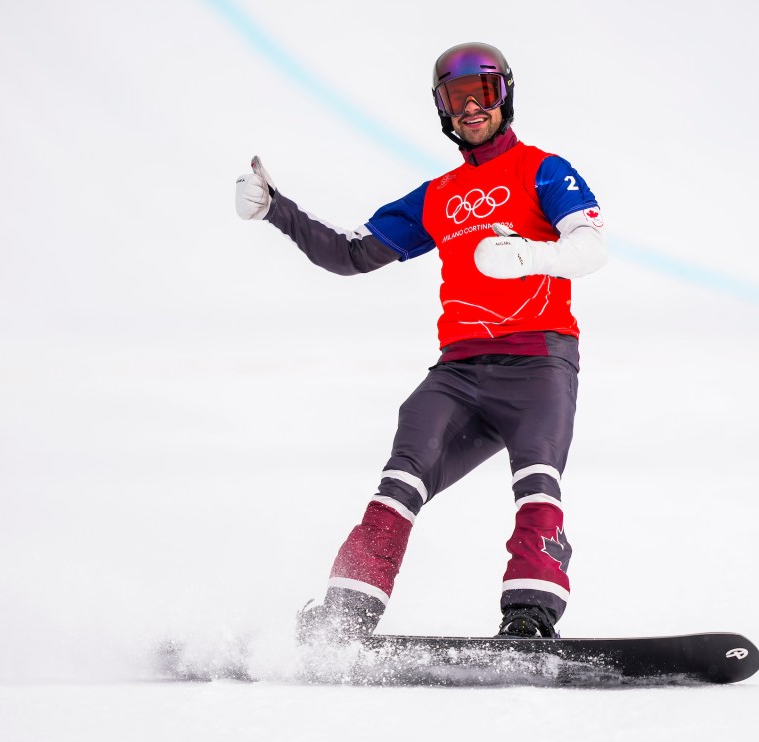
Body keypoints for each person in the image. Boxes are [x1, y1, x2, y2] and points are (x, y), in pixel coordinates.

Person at [235, 42, 607, 640]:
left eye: (482, 93)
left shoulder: (544, 169)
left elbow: (591, 249)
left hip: (538, 362)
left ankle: (530, 620)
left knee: (537, 480)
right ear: (442, 110)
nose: (470, 108)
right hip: (458, 372)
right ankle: (344, 619)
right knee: (400, 480)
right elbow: (351, 254)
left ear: (503, 96)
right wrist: (276, 211)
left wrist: (529, 256)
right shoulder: (437, 195)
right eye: (455, 99)